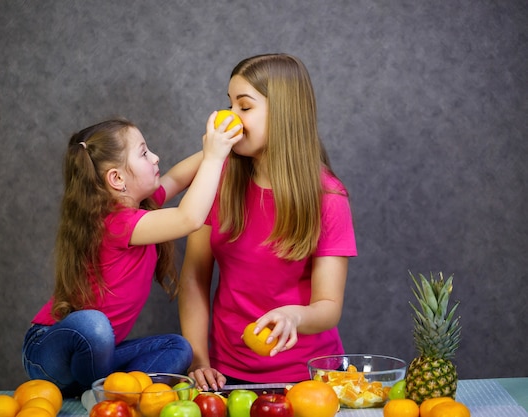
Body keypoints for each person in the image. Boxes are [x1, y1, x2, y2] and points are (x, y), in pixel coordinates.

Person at [22, 115, 242, 397]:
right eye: (144, 152)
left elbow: (176, 177)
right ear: (117, 178)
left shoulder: (141, 210)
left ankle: (108, 393)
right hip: (49, 352)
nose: (155, 157)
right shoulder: (113, 223)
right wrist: (213, 158)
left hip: (94, 361)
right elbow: (189, 218)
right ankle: (102, 391)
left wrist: (220, 144)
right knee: (94, 325)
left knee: (179, 348)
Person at [178, 53, 357, 391]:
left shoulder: (328, 198)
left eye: (244, 107)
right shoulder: (216, 178)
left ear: (285, 115)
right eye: (229, 104)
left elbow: (329, 307)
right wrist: (199, 358)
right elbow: (194, 279)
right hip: (225, 376)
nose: (229, 117)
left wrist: (294, 316)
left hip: (309, 380)